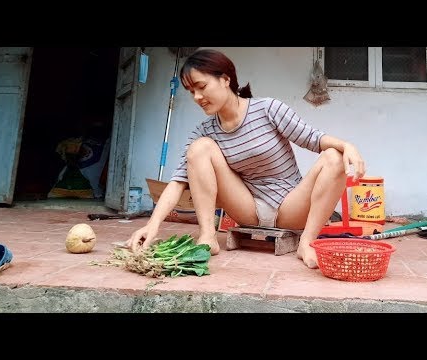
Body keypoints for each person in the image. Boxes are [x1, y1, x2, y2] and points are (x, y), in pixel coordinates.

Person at [126, 49, 365, 269]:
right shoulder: (205, 131)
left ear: (226, 79)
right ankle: (208, 236)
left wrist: (347, 145)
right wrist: (152, 225)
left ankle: (307, 242)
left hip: (291, 207)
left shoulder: (268, 109)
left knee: (334, 156)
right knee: (200, 149)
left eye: (201, 86)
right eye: (191, 92)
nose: (197, 97)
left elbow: (313, 139)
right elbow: (178, 181)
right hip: (247, 209)